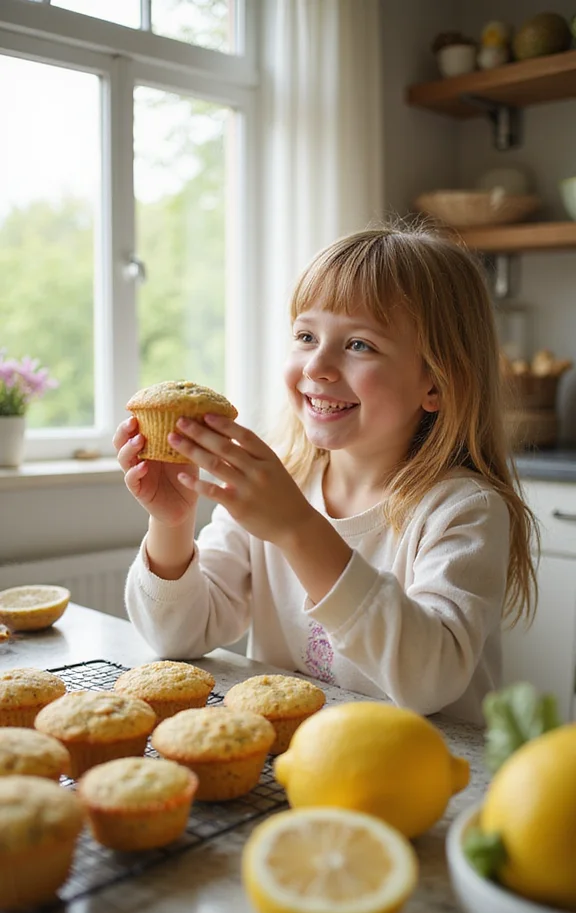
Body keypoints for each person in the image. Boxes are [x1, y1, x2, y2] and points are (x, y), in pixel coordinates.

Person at [115, 224, 538, 724]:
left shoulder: (462, 510)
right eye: (306, 335)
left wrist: (298, 529)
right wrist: (172, 523)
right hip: (297, 765)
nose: (317, 365)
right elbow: (177, 635)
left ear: (437, 384)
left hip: (425, 781)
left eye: (359, 345)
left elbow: (432, 679)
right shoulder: (278, 482)